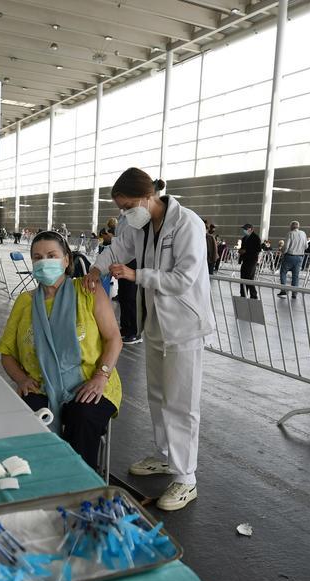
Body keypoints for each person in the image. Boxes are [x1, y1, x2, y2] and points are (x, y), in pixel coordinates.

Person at [86, 168, 213, 511]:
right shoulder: (138, 226)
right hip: (155, 322)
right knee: (157, 396)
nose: (125, 213)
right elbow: (118, 249)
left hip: (185, 324)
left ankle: (187, 478)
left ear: (148, 196)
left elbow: (183, 278)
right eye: (122, 209)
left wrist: (135, 274)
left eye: (128, 205)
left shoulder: (188, 224)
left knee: (182, 402)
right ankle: (166, 456)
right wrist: (97, 268)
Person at [0, 232, 123, 469]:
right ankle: (40, 479)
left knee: (82, 416)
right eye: (37, 257)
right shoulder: (25, 302)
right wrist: (21, 379)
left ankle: (82, 482)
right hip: (41, 384)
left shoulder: (88, 291)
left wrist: (101, 376)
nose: (44, 261)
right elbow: (7, 353)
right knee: (25, 416)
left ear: (66, 260)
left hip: (91, 380)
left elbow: (113, 339)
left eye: (51, 255)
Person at [277, 220, 308, 296]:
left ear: (291, 227)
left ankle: (283, 290)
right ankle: (294, 293)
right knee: (295, 276)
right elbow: (306, 246)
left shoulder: (290, 233)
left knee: (283, 273)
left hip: (289, 256)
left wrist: (282, 251)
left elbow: (286, 246)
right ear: (298, 226)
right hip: (300, 257)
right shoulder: (303, 233)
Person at [239, 223, 262, 299]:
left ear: (251, 229)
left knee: (249, 277)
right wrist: (241, 252)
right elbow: (243, 248)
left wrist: (246, 251)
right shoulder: (244, 238)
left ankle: (253, 294)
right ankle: (243, 294)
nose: (244, 230)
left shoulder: (256, 238)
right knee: (243, 277)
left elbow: (258, 249)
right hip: (245, 260)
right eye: (244, 229)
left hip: (252, 260)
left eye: (246, 229)